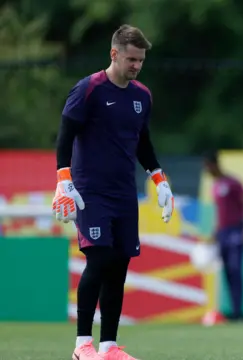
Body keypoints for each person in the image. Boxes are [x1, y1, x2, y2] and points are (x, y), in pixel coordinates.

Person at [53, 24, 174, 360]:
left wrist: (159, 180)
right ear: (114, 54)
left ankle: (108, 347)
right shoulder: (88, 89)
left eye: (141, 60)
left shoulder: (142, 95)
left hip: (124, 193)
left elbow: (143, 142)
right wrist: (64, 179)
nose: (136, 65)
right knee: (100, 258)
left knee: (119, 265)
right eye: (131, 58)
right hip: (91, 190)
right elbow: (65, 135)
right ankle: (82, 346)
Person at [203, 150, 243, 322]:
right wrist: (214, 234)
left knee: (235, 269)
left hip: (236, 231)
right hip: (222, 233)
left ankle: (239, 313)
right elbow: (220, 213)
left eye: (207, 167)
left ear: (213, 165)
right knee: (226, 272)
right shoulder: (215, 186)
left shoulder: (232, 183)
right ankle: (233, 312)